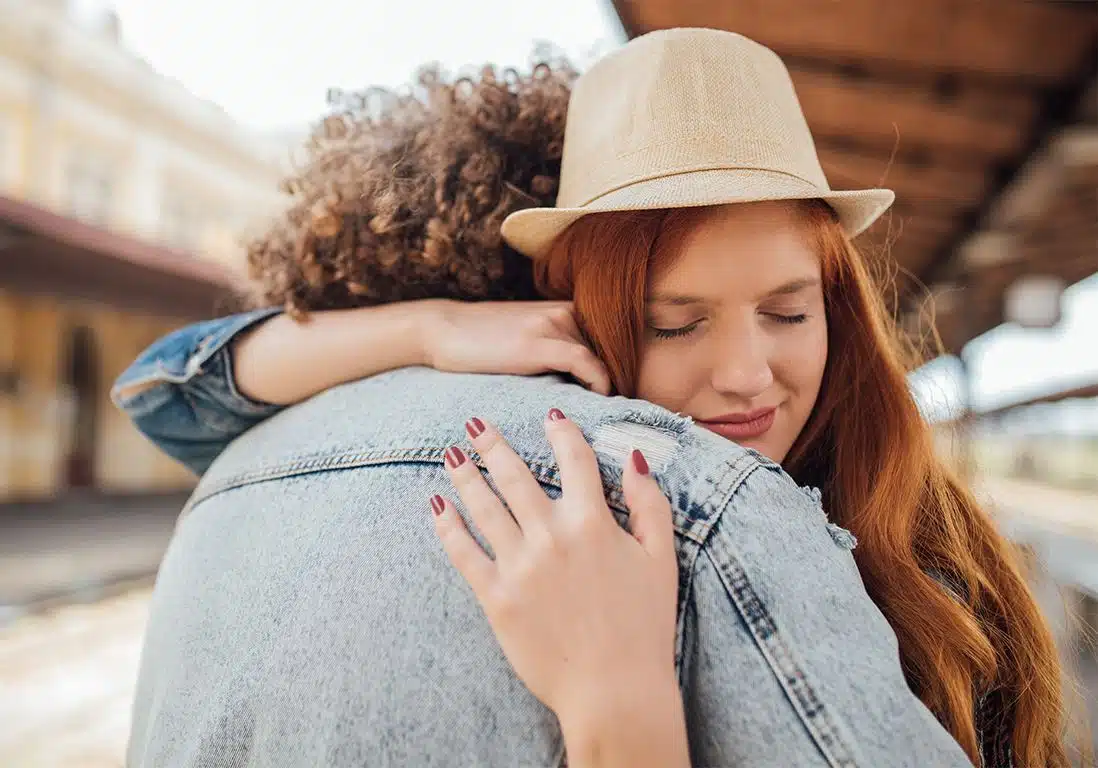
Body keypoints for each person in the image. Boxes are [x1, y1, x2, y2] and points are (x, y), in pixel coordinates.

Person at [115, 30, 1069, 767]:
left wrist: (619, 708)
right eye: (674, 324)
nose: (745, 373)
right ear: (570, 312)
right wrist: (433, 326)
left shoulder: (921, 530)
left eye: (790, 311)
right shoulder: (674, 501)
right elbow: (171, 391)